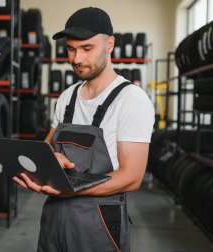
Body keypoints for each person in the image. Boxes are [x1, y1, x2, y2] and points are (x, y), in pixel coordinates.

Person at [13, 7, 155, 252]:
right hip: (54, 220)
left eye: (87, 48)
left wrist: (72, 189)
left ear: (109, 44)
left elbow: (132, 176)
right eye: (71, 48)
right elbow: (48, 146)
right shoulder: (68, 96)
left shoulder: (131, 99)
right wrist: (48, 161)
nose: (76, 59)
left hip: (98, 225)